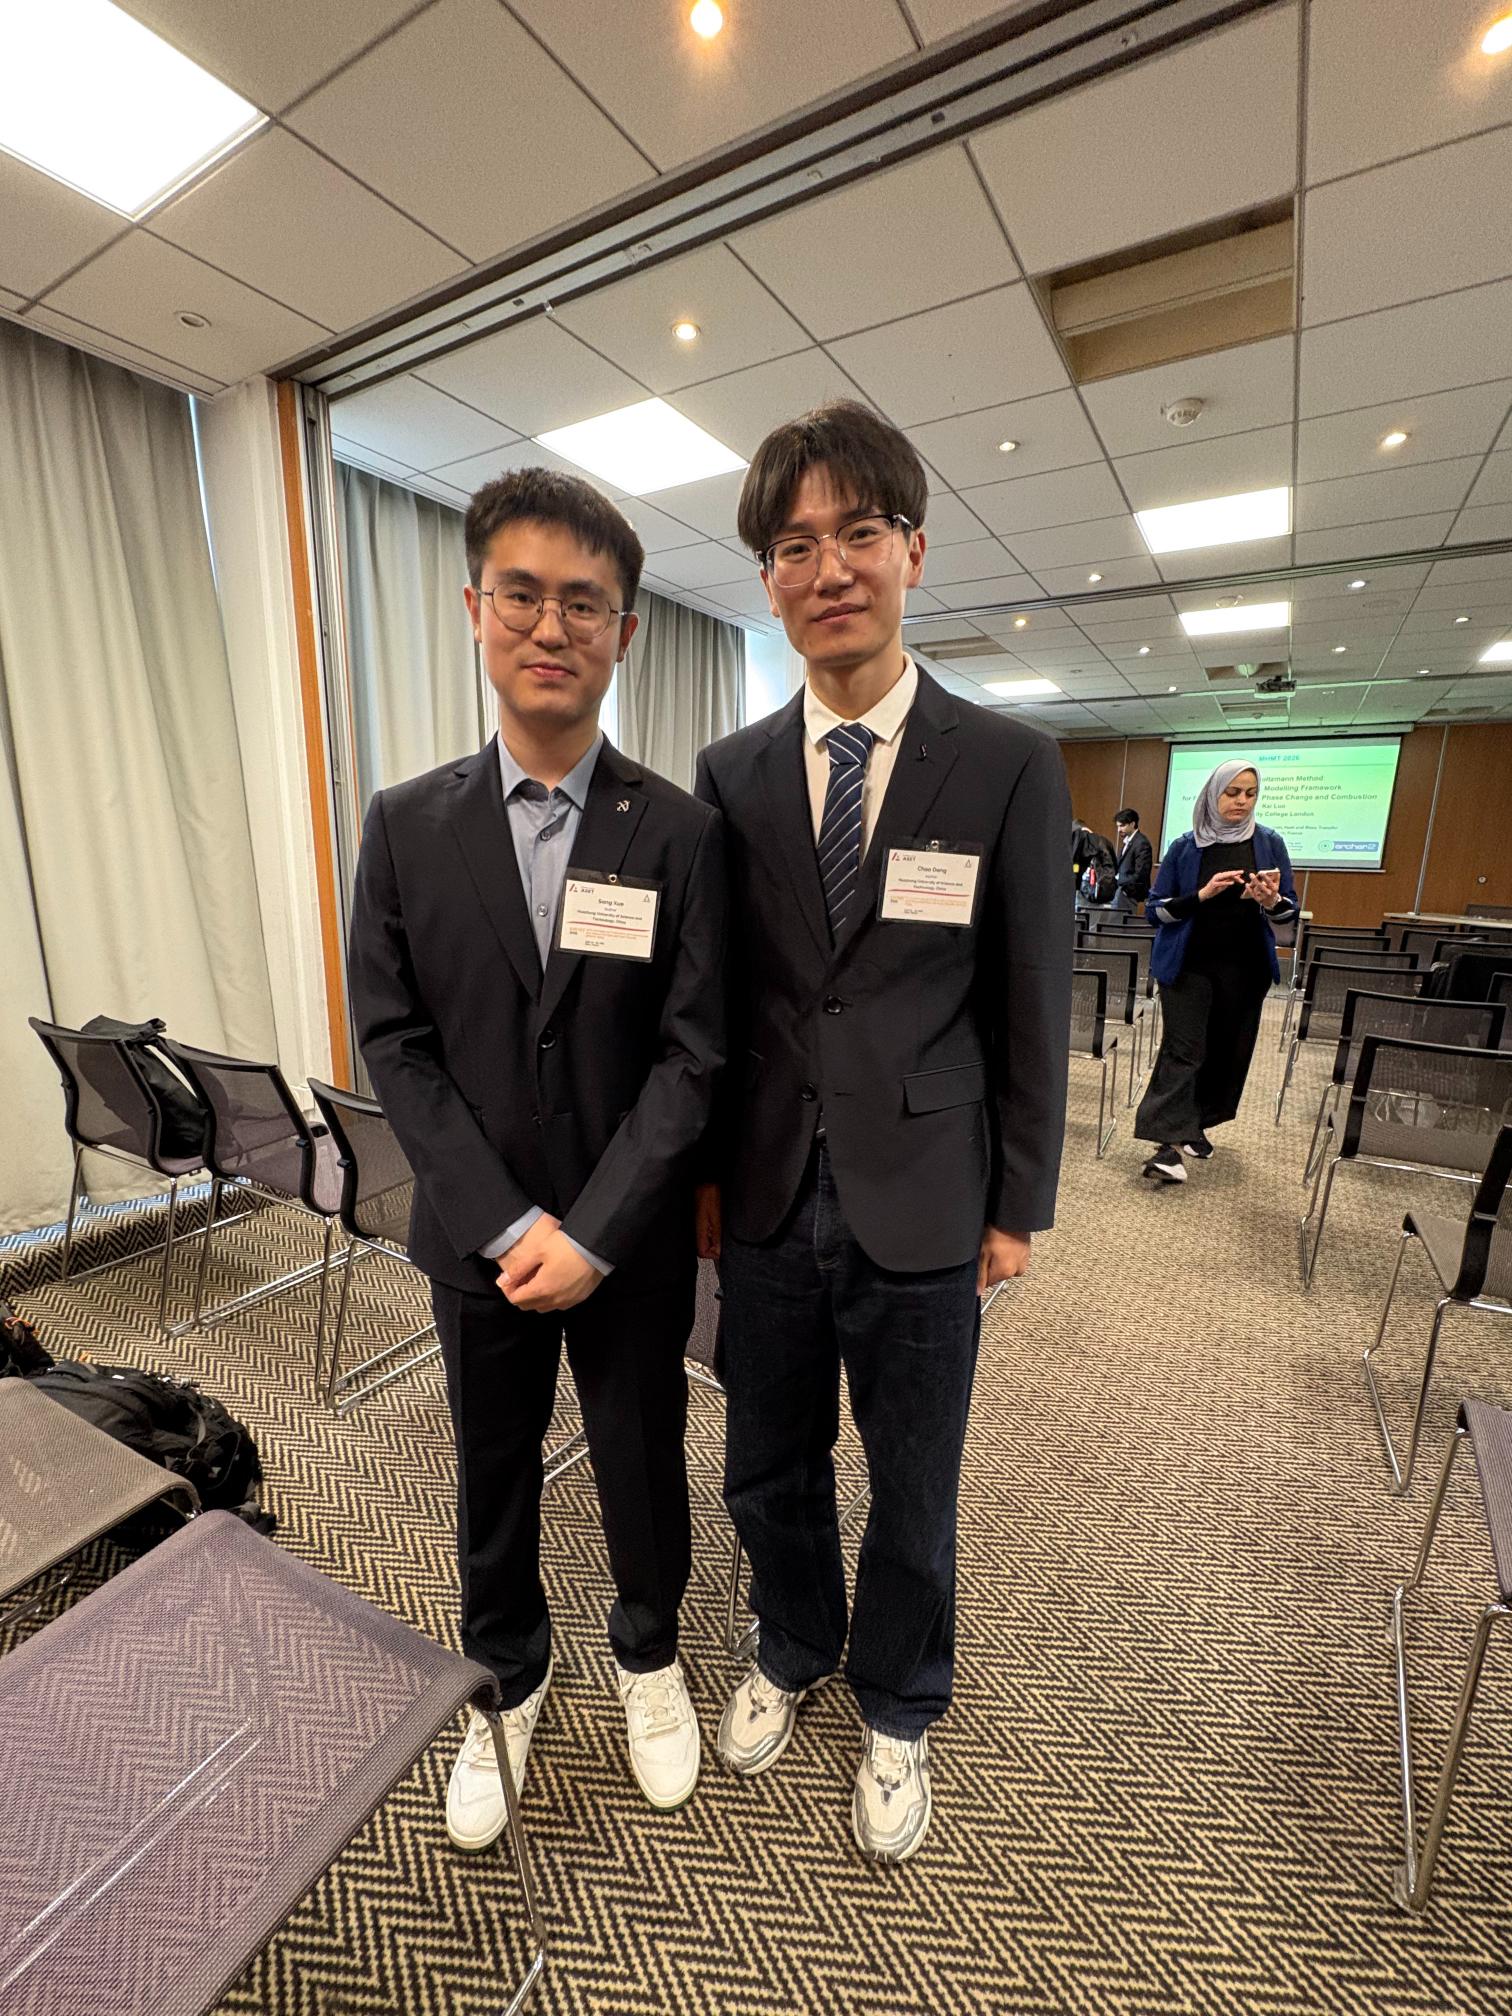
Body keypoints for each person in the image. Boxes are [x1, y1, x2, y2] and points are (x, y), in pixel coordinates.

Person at [693, 401, 1071, 1864]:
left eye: (858, 532)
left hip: (928, 1187)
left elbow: (1030, 997)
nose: (829, 567)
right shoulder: (730, 773)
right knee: (765, 1459)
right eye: (795, 546)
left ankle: (902, 1696)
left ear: (913, 549)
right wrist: (708, 1179)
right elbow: (720, 999)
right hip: (769, 1190)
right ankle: (793, 1640)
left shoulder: (1006, 762)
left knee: (915, 1477)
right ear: (767, 579)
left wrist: (1018, 1203)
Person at [347, 468, 725, 1847]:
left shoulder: (681, 832)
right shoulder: (406, 822)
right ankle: (504, 1671)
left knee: (641, 1455)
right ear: (475, 608)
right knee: (490, 1463)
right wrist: (510, 1224)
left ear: (624, 628)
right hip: (480, 1237)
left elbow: (696, 1054)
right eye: (523, 595)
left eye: (583, 602)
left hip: (628, 1240)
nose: (550, 626)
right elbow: (394, 1042)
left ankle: (649, 1651)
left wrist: (599, 1229)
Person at [1134, 760, 1297, 1183]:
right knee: (1184, 1050)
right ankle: (1167, 1147)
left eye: (1250, 793)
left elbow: (1288, 911)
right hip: (1188, 966)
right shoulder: (1185, 847)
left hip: (1245, 970)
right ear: (1213, 794)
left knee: (1227, 1050)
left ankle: (1195, 1123)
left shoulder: (1269, 843)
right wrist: (1201, 896)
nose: (1242, 801)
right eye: (1232, 792)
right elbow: (1155, 911)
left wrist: (1271, 901)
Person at [1111, 807, 1153, 911]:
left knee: (1121, 920)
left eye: (1122, 826)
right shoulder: (1128, 841)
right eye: (1118, 826)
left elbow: (1141, 874)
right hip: (1121, 892)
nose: (1119, 830)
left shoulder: (1141, 843)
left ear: (1132, 824)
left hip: (1128, 894)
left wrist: (1119, 881)